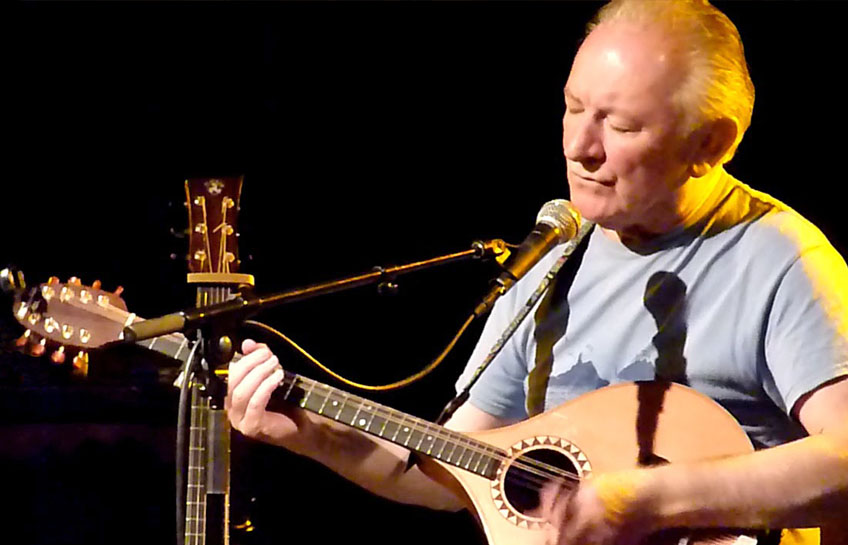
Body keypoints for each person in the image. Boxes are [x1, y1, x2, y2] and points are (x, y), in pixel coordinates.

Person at [226, 1, 848, 543]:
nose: (580, 146)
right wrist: (307, 433)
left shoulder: (780, 259)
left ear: (710, 144)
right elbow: (451, 471)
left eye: (621, 124)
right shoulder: (554, 257)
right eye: (573, 108)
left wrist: (647, 501)